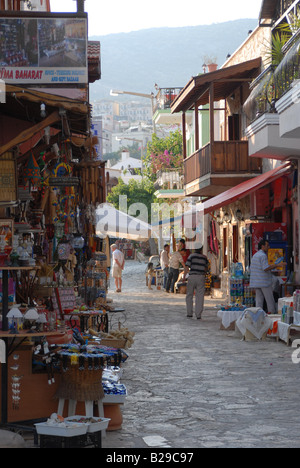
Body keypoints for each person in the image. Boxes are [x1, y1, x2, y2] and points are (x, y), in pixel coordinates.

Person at [250, 239, 286, 314]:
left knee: (259, 301)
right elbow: (265, 268)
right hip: (264, 282)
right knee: (270, 301)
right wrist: (277, 265)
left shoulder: (255, 255)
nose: (269, 247)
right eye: (267, 245)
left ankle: (258, 316)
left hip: (256, 282)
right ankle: (272, 315)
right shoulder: (263, 256)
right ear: (262, 246)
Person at [184, 247, 208, 319]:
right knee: (200, 296)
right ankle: (198, 314)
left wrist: (185, 276)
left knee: (189, 295)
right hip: (200, 277)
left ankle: (189, 313)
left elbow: (187, 266)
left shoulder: (191, 256)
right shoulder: (204, 257)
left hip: (192, 276)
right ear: (201, 249)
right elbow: (206, 268)